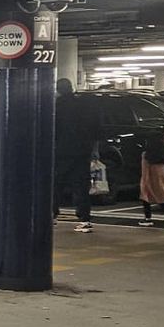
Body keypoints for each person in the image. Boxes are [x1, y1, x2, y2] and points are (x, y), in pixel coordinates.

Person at [53, 77, 101, 232]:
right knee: (81, 186)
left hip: (61, 152)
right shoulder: (83, 105)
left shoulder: (56, 106)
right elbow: (94, 128)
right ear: (71, 88)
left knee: (56, 185)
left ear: (58, 90)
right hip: (82, 152)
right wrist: (94, 149)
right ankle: (85, 219)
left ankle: (52, 214)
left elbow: (53, 130)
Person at [138, 125, 164, 227]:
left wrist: (144, 182)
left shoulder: (146, 154)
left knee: (146, 198)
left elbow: (145, 169)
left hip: (149, 178)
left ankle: (148, 218)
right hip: (161, 178)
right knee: (162, 196)